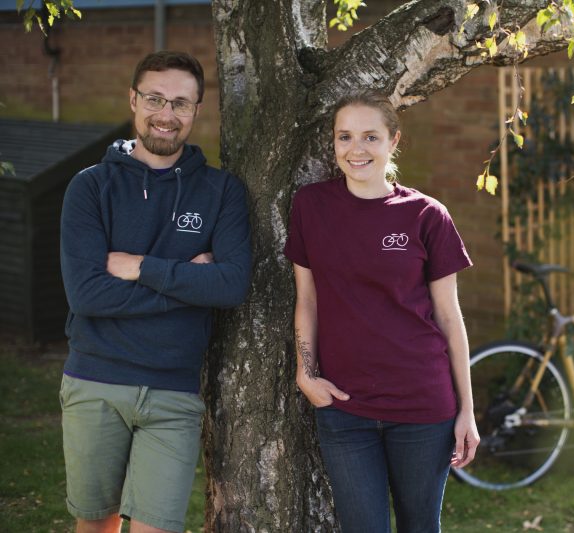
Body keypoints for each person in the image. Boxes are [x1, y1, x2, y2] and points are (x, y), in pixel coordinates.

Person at [59, 51, 251, 533]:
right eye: (155, 99)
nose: (166, 115)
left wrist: (138, 267)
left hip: (174, 390)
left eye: (181, 104)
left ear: (196, 110)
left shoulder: (221, 191)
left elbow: (230, 285)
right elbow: (87, 295)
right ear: (133, 99)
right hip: (95, 380)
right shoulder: (90, 187)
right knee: (95, 525)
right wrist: (188, 282)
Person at [284, 90, 480, 533]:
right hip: (345, 408)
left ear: (393, 141)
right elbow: (307, 298)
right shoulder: (311, 206)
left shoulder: (426, 215)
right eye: (345, 137)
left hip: (423, 406)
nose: (356, 149)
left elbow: (450, 316)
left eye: (370, 137)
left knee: (419, 526)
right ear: (333, 144)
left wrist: (467, 410)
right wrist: (305, 372)